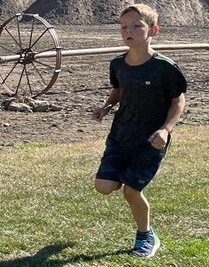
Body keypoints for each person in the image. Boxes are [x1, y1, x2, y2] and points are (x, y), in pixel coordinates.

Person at [92, 4, 187, 257]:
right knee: (103, 186)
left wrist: (165, 130)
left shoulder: (166, 68)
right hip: (120, 135)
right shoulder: (117, 64)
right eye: (124, 27)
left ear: (153, 30)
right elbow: (119, 90)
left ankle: (146, 236)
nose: (128, 31)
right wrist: (106, 107)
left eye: (136, 25)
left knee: (131, 191)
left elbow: (178, 101)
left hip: (150, 140)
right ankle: (128, 176)